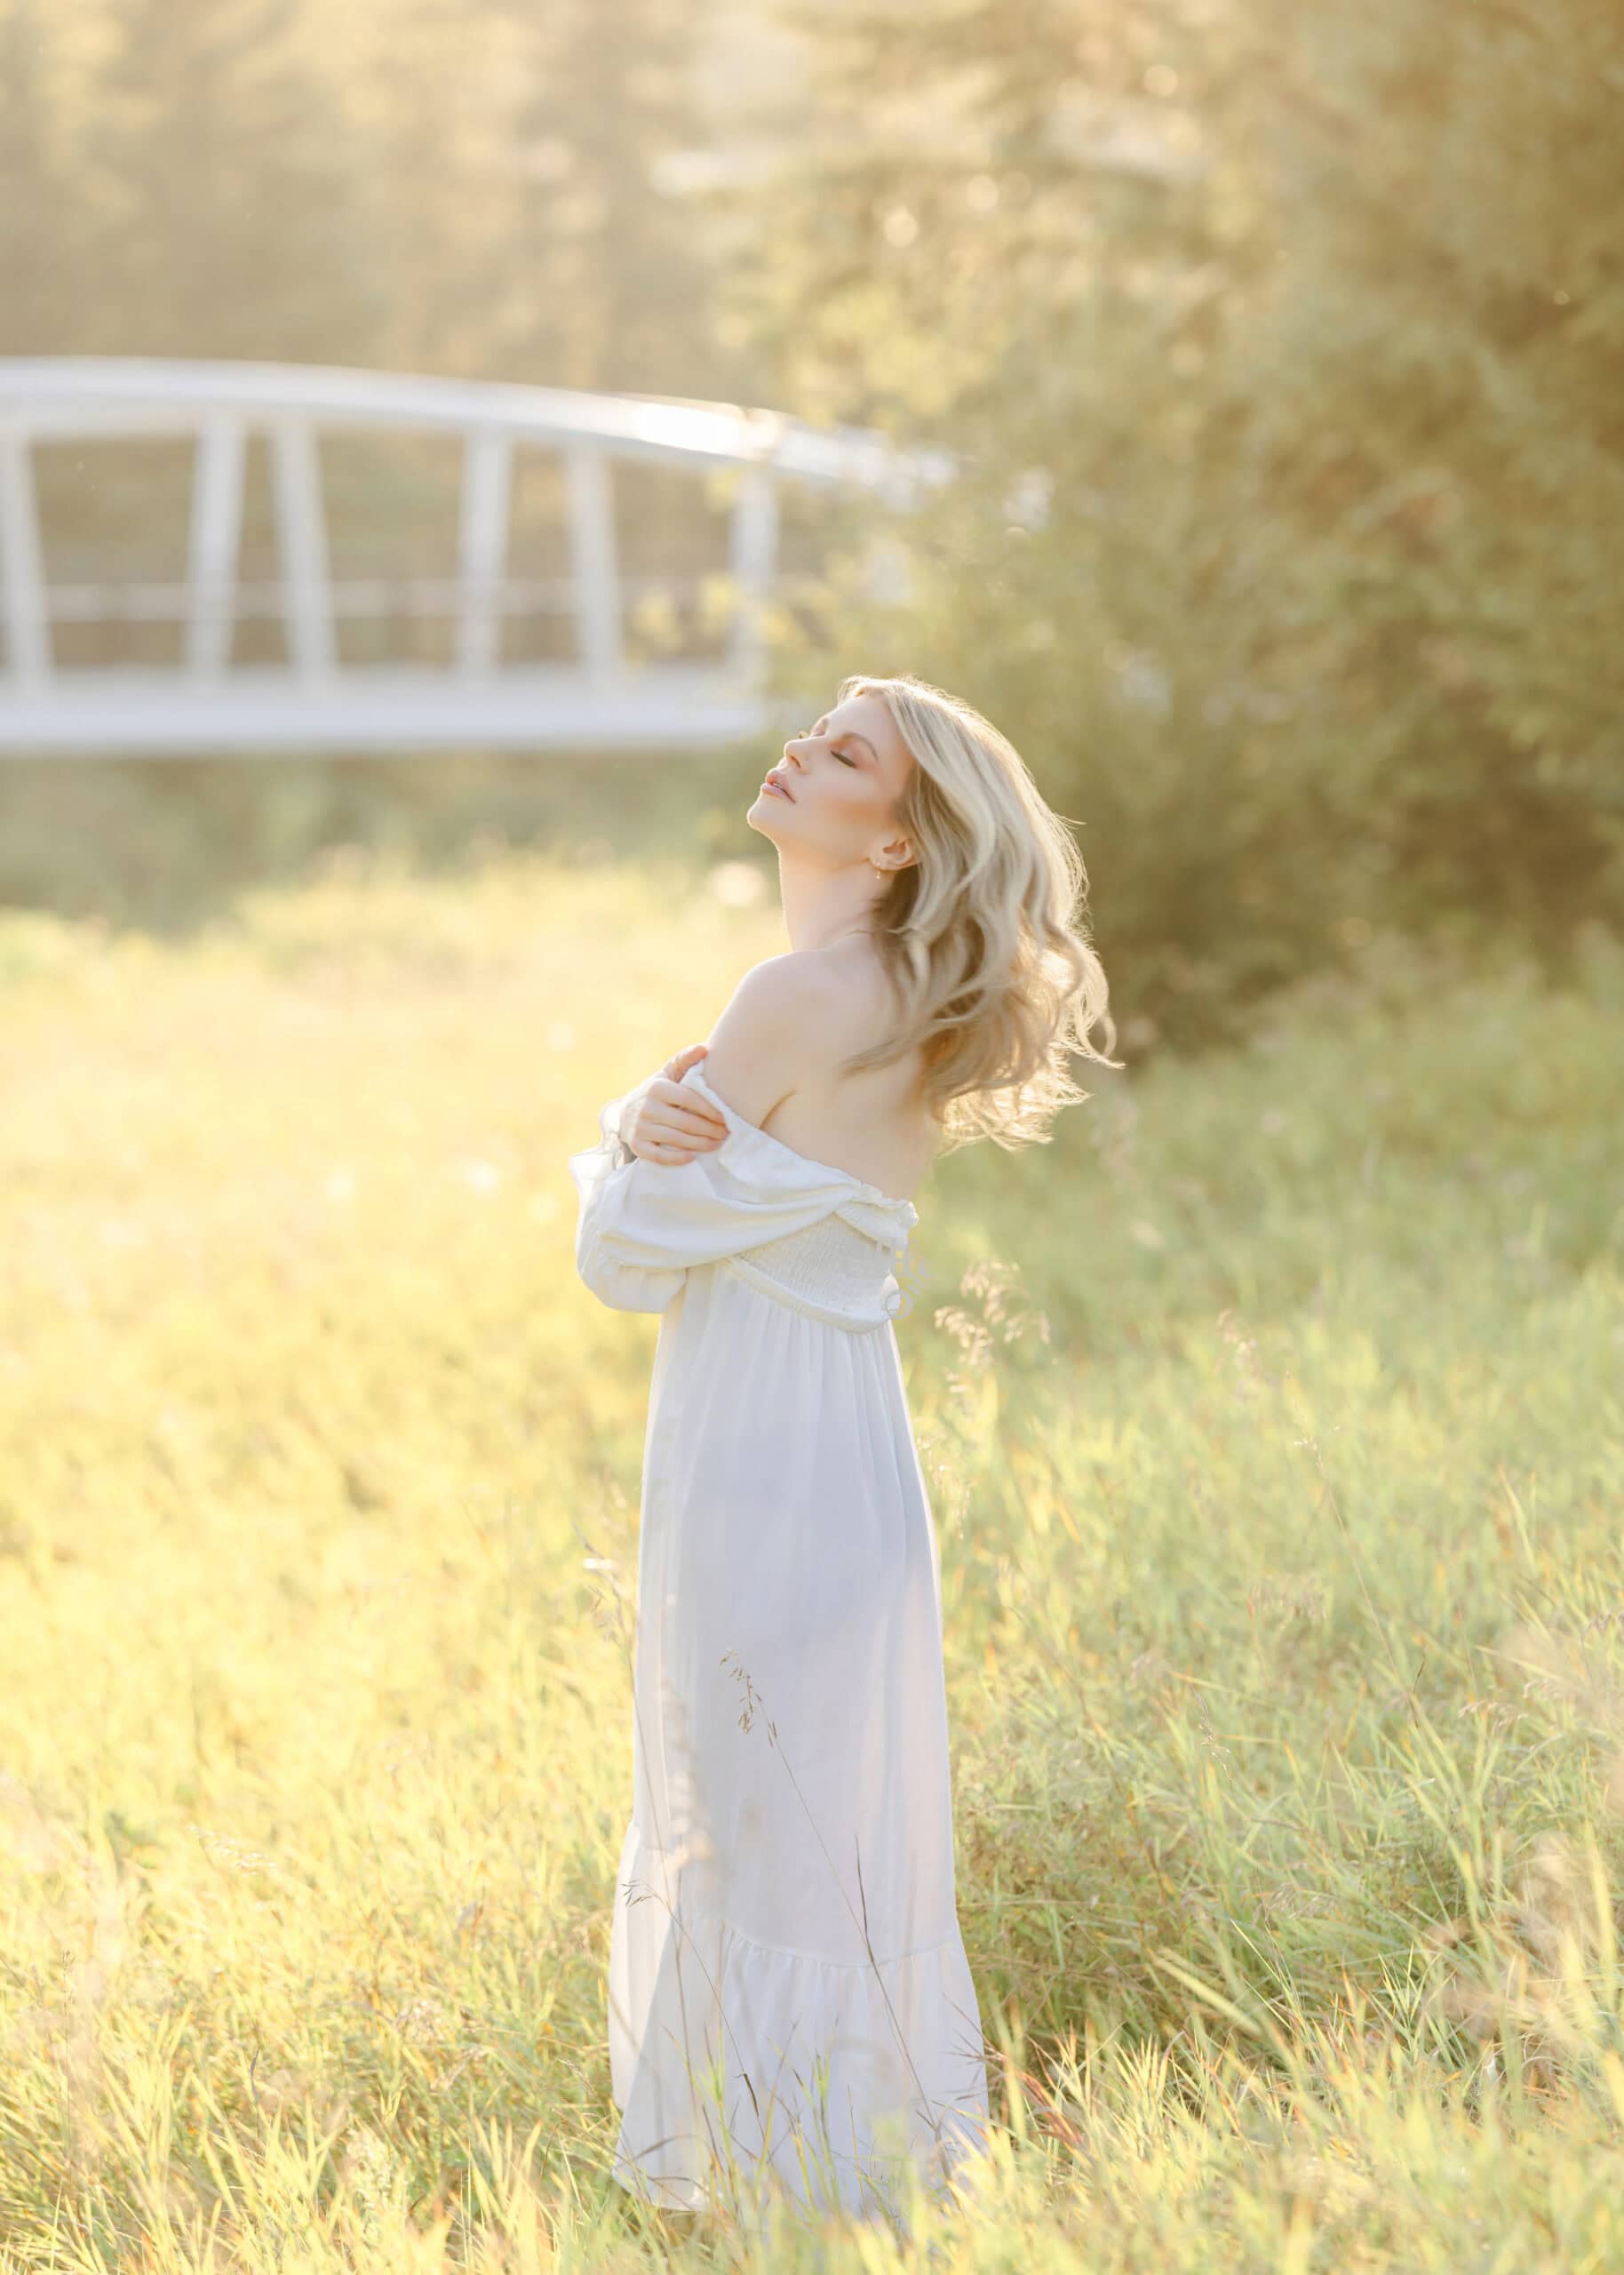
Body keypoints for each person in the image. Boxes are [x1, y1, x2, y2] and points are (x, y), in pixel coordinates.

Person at [568, 671, 1117, 2231]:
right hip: (842, 1450)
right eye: (817, 727)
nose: (802, 748)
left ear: (892, 839)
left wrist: (637, 1124)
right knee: (813, 1827)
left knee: (743, 1816)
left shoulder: (794, 998)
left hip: (759, 1455)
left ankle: (774, 2198)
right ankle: (840, 2183)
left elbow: (627, 1258)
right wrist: (662, 1119)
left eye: (847, 749)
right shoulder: (899, 995)